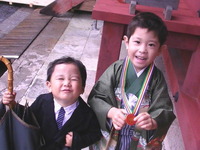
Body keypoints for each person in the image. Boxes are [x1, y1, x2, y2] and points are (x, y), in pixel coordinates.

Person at [88, 12, 176, 150]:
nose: (142, 50)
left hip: (138, 138)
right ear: (126, 42)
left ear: (160, 50)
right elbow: (96, 97)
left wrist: (152, 121)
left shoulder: (157, 79)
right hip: (114, 131)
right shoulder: (116, 69)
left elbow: (164, 109)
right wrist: (111, 112)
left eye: (151, 45)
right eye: (137, 42)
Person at [2, 56, 102, 150]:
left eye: (73, 79)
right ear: (49, 85)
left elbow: (95, 134)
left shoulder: (86, 113)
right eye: (60, 78)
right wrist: (13, 105)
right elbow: (28, 117)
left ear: (82, 88)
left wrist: (77, 140)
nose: (67, 83)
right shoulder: (42, 101)